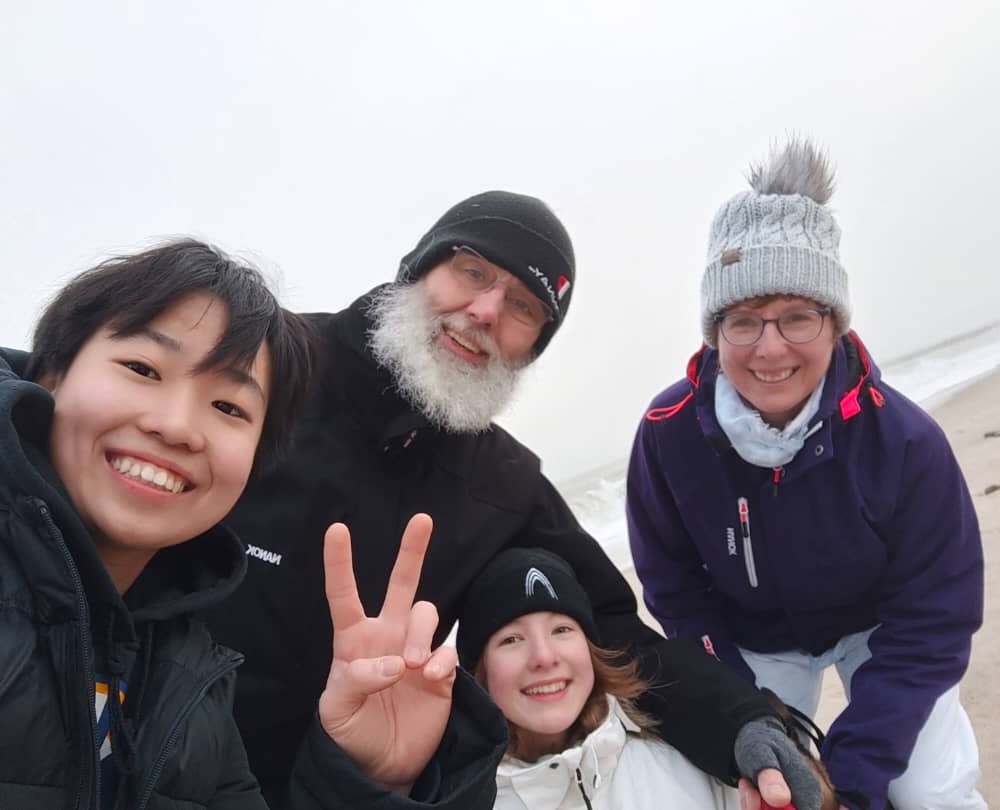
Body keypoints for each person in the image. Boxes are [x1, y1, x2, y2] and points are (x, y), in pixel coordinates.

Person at [203, 190, 827, 809]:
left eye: (523, 307)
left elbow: (616, 633)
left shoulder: (500, 482)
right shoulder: (275, 368)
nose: (484, 311)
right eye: (471, 271)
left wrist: (741, 726)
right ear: (419, 268)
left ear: (531, 349)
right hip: (155, 745)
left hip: (324, 789)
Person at [0, 240, 504, 809]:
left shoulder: (192, 685)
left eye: (228, 408)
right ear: (50, 375)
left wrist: (369, 781)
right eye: (143, 369)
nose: (177, 426)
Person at [626, 139, 986, 809]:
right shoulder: (666, 434)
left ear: (835, 323)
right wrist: (741, 712)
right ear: (714, 332)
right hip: (753, 638)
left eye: (797, 316)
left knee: (926, 791)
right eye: (743, 321)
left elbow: (935, 616)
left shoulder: (905, 441)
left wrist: (850, 773)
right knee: (750, 789)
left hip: (882, 629)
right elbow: (674, 588)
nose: (770, 348)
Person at [457, 546, 743, 808]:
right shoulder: (462, 799)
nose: (544, 657)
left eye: (561, 630)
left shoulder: (692, 751)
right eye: (511, 639)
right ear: (479, 671)